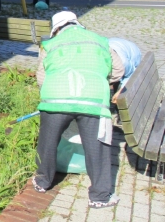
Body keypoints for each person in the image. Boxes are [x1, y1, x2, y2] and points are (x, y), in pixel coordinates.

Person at [34, 11, 123, 209]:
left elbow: (41, 76)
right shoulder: (100, 41)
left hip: (55, 99)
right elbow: (119, 70)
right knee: (98, 147)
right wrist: (100, 79)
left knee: (47, 142)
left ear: (56, 29)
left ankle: (42, 182)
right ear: (76, 23)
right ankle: (100, 196)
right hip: (93, 100)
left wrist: (51, 97)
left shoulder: (49, 44)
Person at [108, 38, 141, 104]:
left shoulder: (124, 63)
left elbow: (132, 73)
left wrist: (120, 91)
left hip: (133, 53)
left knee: (120, 89)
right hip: (116, 44)